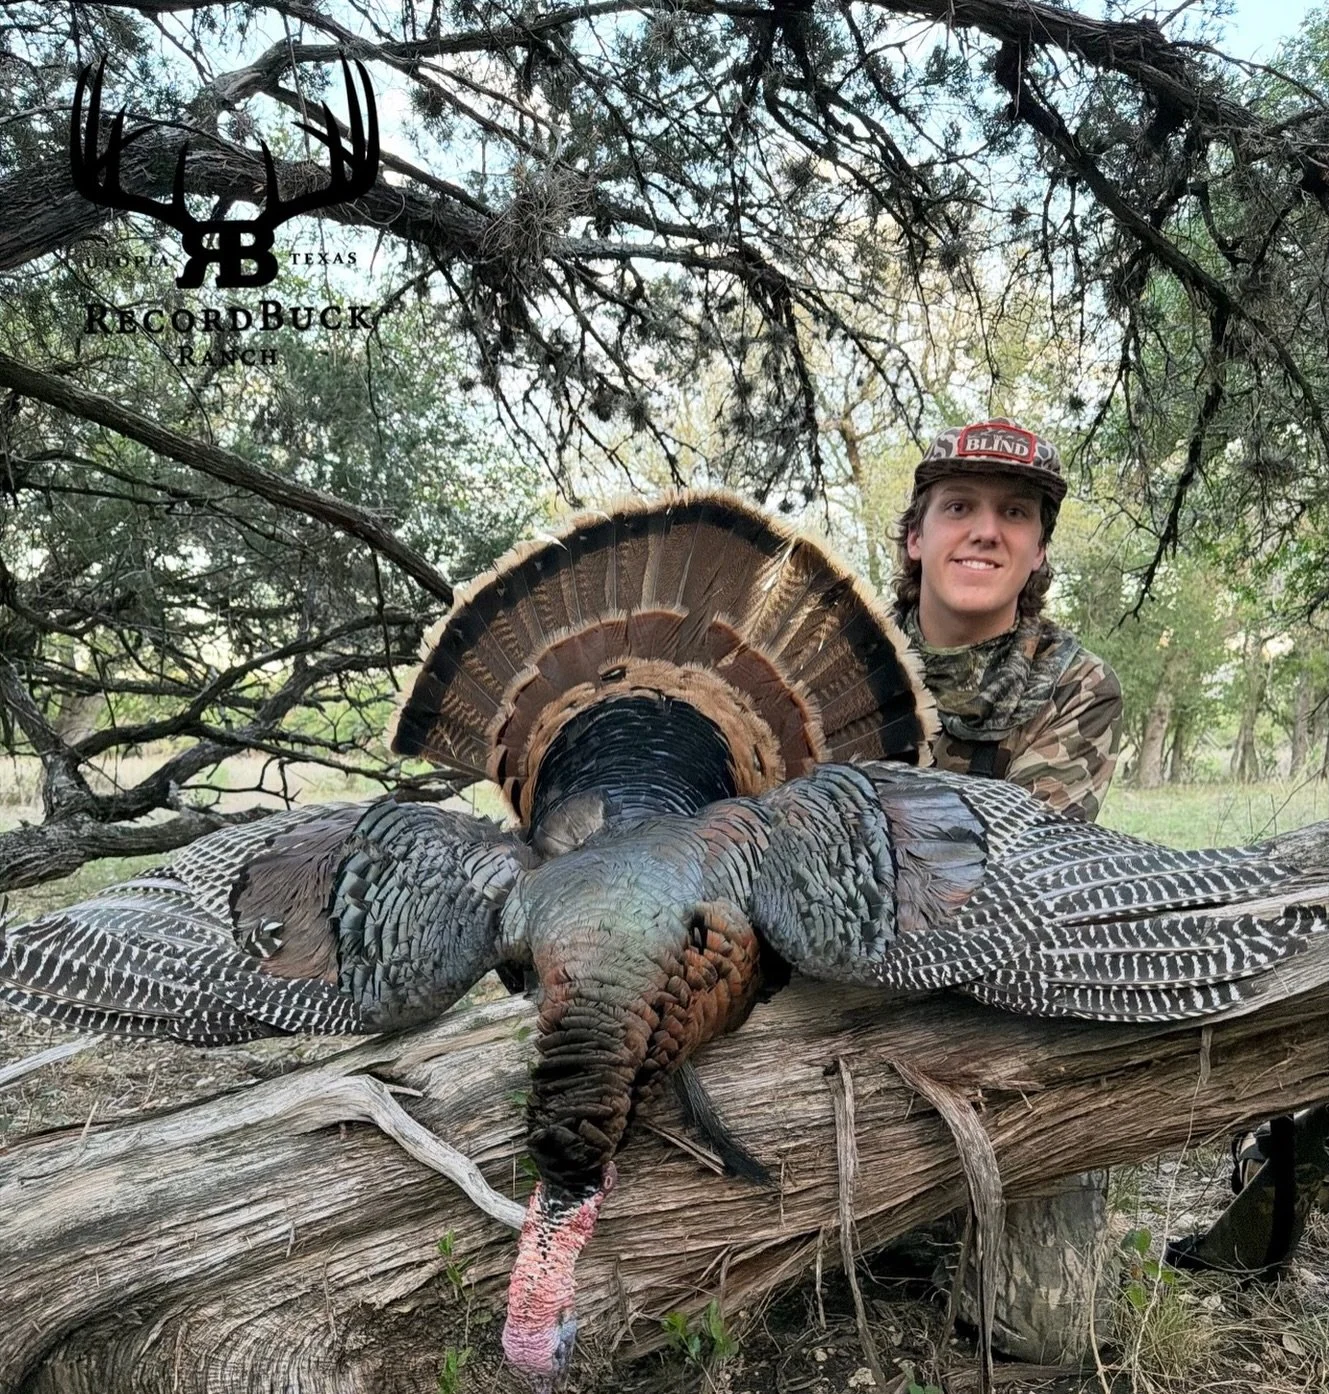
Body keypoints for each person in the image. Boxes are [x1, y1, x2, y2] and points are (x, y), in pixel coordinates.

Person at [890, 417, 1123, 1362]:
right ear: (916, 537)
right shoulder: (830, 651)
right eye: (958, 507)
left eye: (1013, 513)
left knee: (1039, 1335)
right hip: (821, 986)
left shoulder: (1072, 685)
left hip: (993, 986)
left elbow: (1008, 879)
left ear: (1035, 551)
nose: (984, 530)